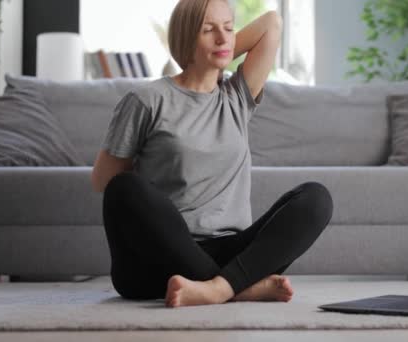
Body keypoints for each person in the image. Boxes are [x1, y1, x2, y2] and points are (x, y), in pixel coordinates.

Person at [91, 0, 333, 308]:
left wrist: (216, 48)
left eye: (229, 29)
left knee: (315, 198)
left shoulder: (236, 97)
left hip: (230, 253)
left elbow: (272, 22)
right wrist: (195, 53)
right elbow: (103, 181)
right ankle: (237, 288)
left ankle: (216, 289)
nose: (223, 38)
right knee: (123, 187)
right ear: (185, 37)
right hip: (155, 260)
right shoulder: (146, 100)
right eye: (209, 30)